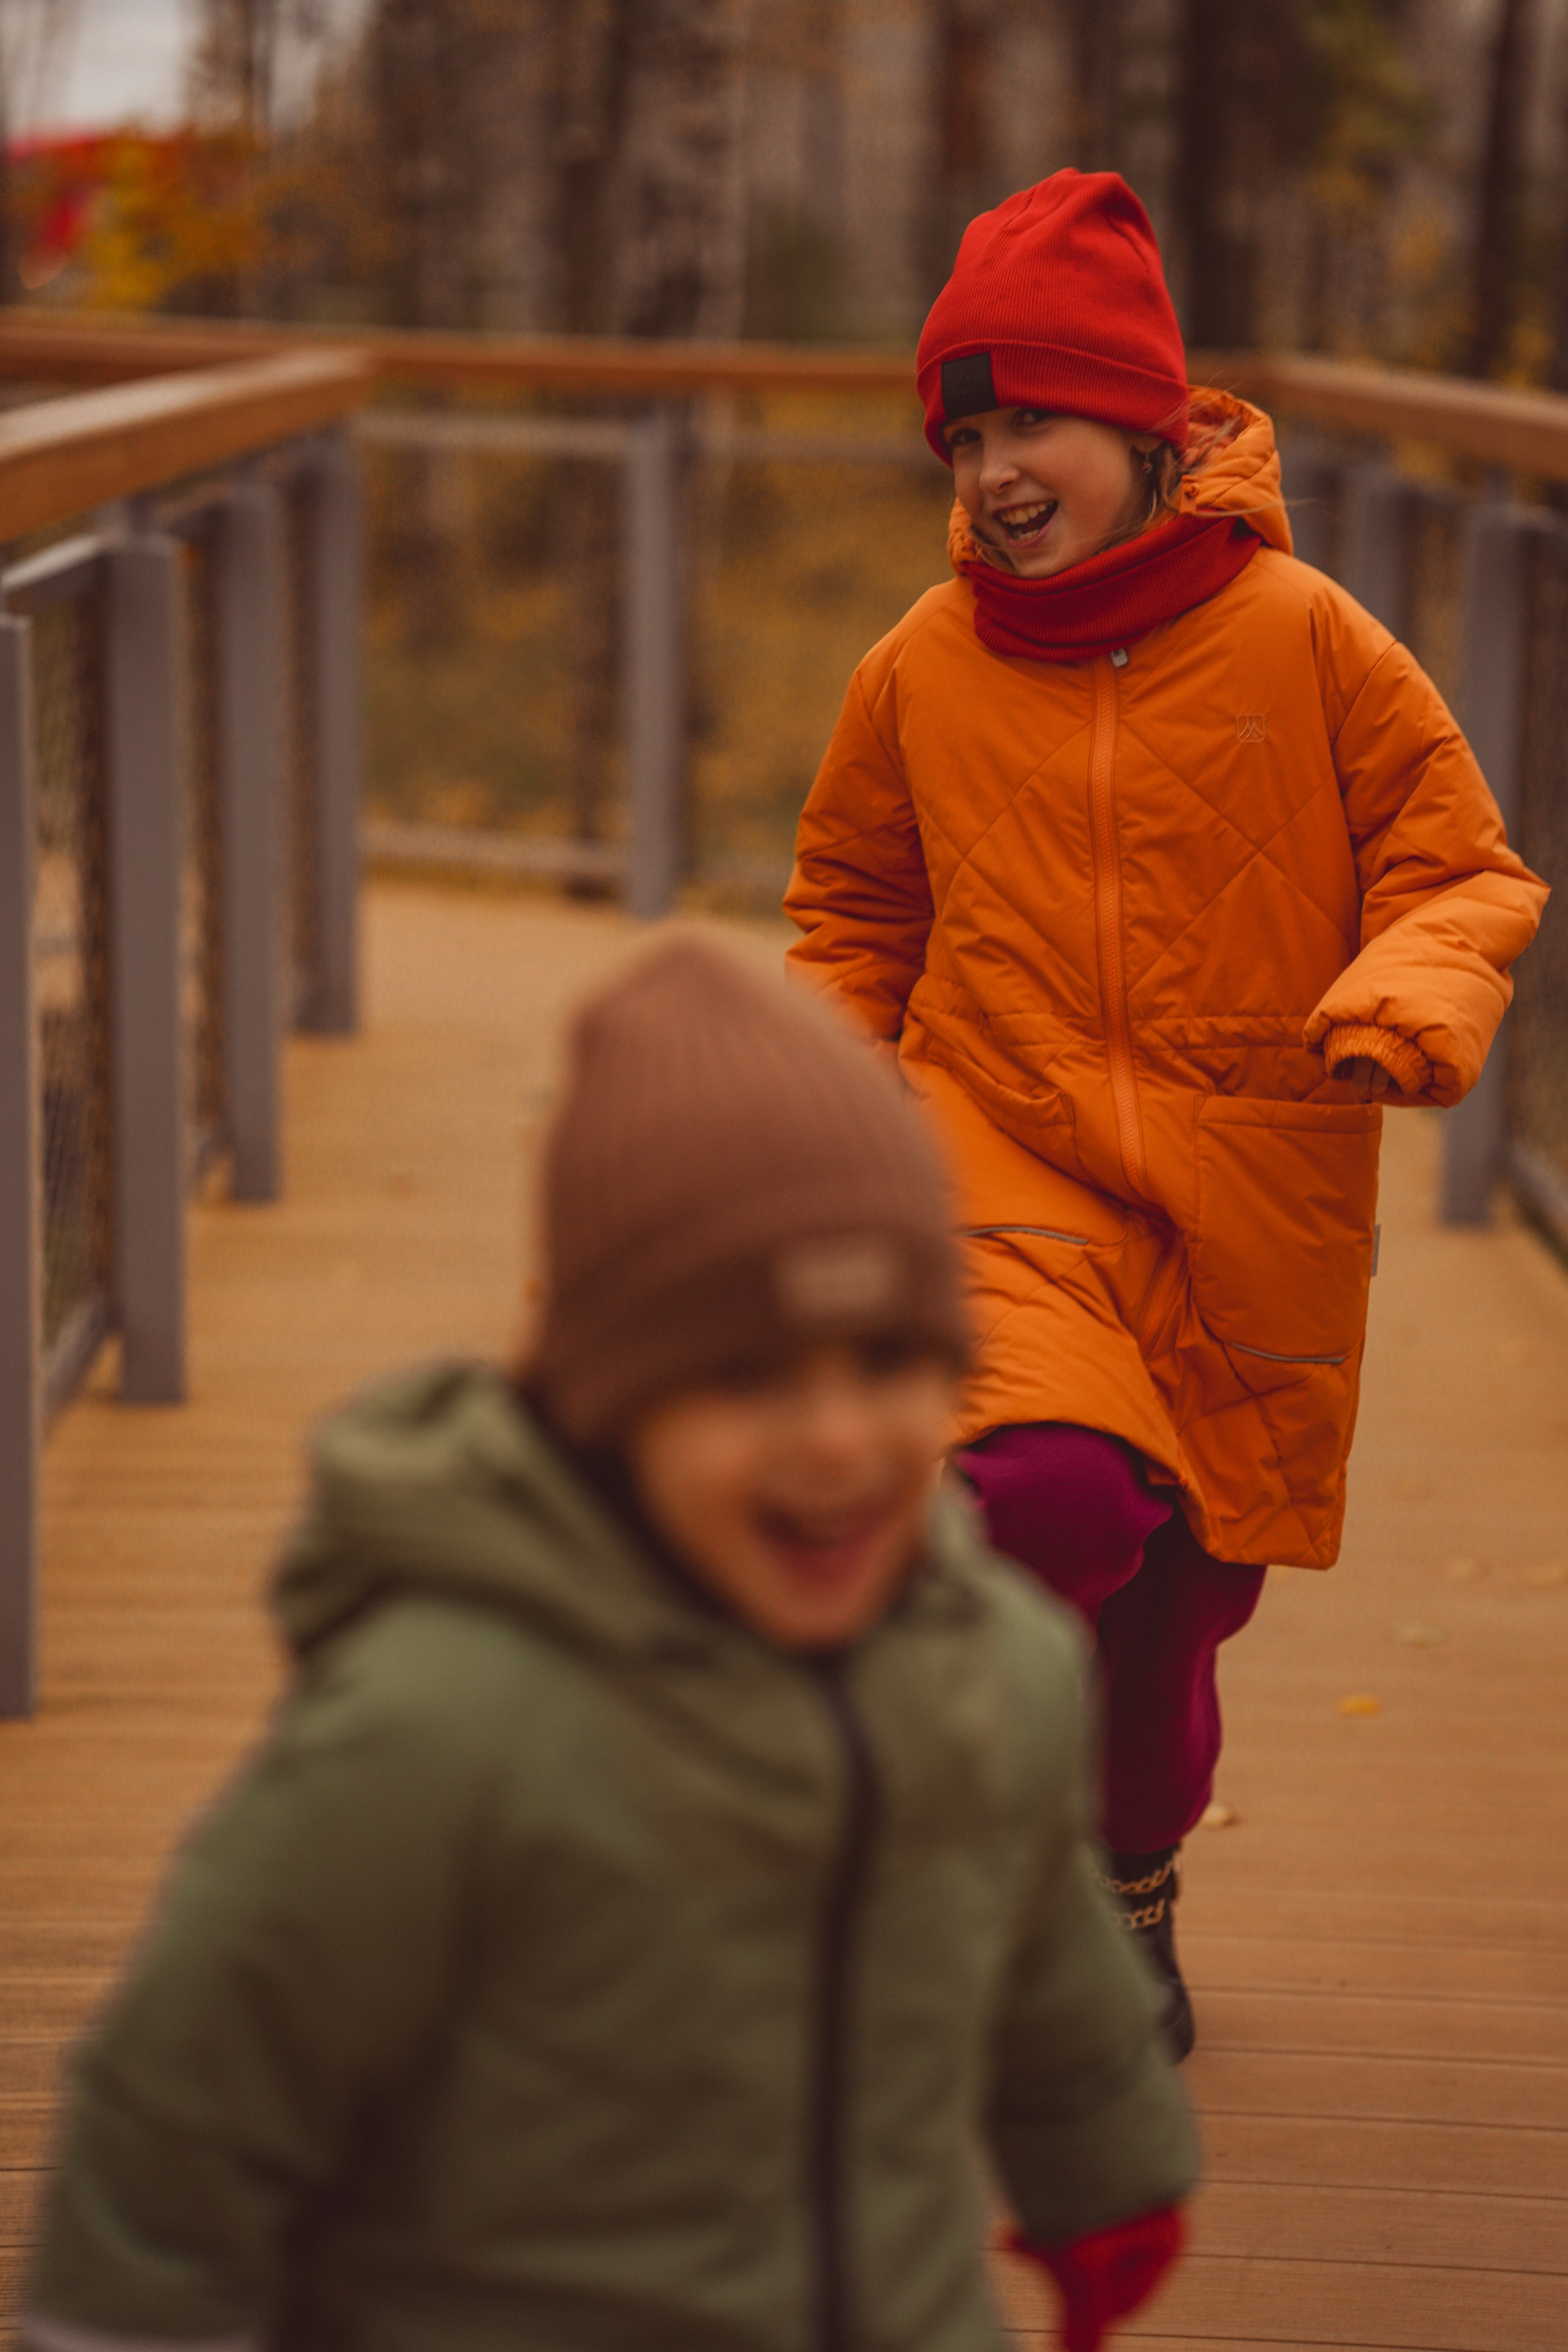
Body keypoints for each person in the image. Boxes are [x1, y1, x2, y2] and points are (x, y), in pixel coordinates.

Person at [23, 937, 1197, 2352]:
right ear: (603, 1401)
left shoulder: (987, 1657)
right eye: (742, 1375)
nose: (832, 1438)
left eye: (887, 1362)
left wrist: (1108, 2171)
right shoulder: (438, 1722)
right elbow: (191, 2100)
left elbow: (1039, 1933)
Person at [786, 170, 1548, 2059]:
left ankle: (1124, 1884)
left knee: (1173, 1616)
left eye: (1028, 422)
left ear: (1145, 422)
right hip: (1002, 1150)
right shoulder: (922, 666)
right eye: (961, 439)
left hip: (1250, 1184)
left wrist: (1402, 998)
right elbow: (856, 911)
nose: (992, 474)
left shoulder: (1310, 638)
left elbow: (1460, 868)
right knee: (1037, 1491)